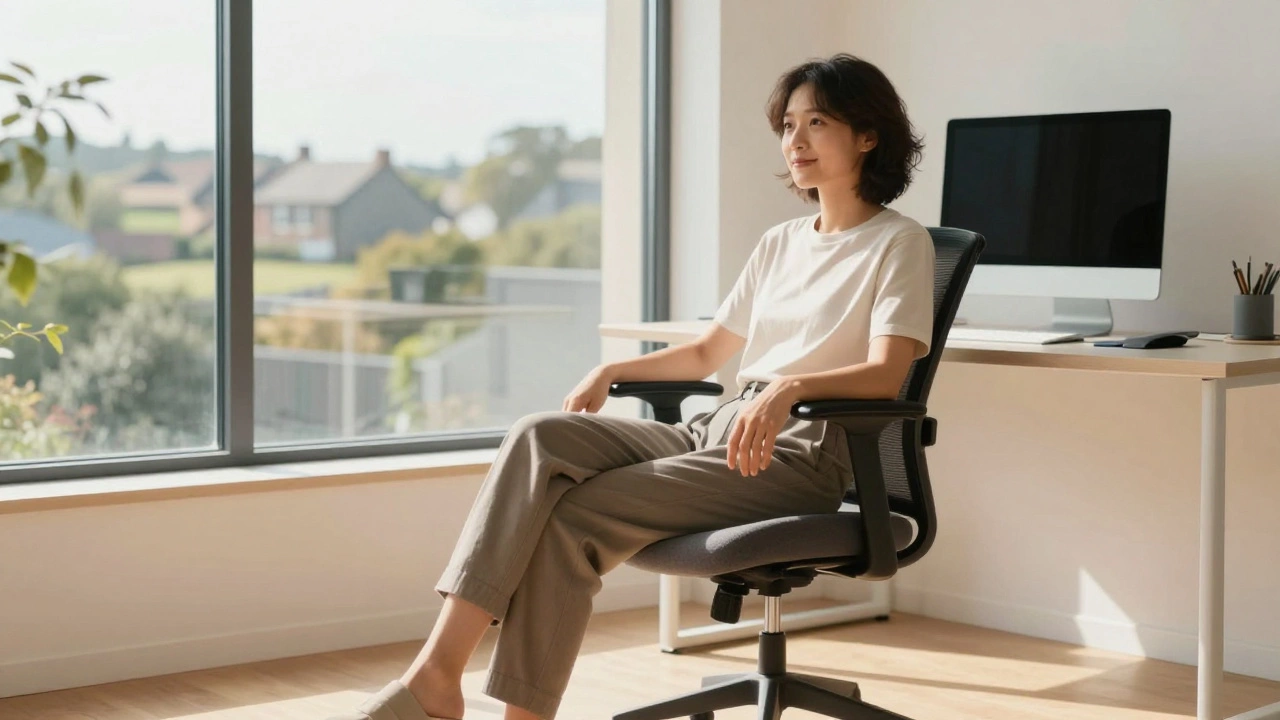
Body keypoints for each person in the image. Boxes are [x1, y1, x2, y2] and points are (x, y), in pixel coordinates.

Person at [331, 53, 935, 720]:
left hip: (800, 450)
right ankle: (437, 677)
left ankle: (489, 705)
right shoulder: (781, 242)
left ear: (868, 135)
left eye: (815, 122)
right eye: (787, 125)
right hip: (721, 428)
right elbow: (710, 352)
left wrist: (789, 387)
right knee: (539, 438)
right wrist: (615, 369)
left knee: (575, 515)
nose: (794, 142)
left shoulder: (898, 244)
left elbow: (886, 372)